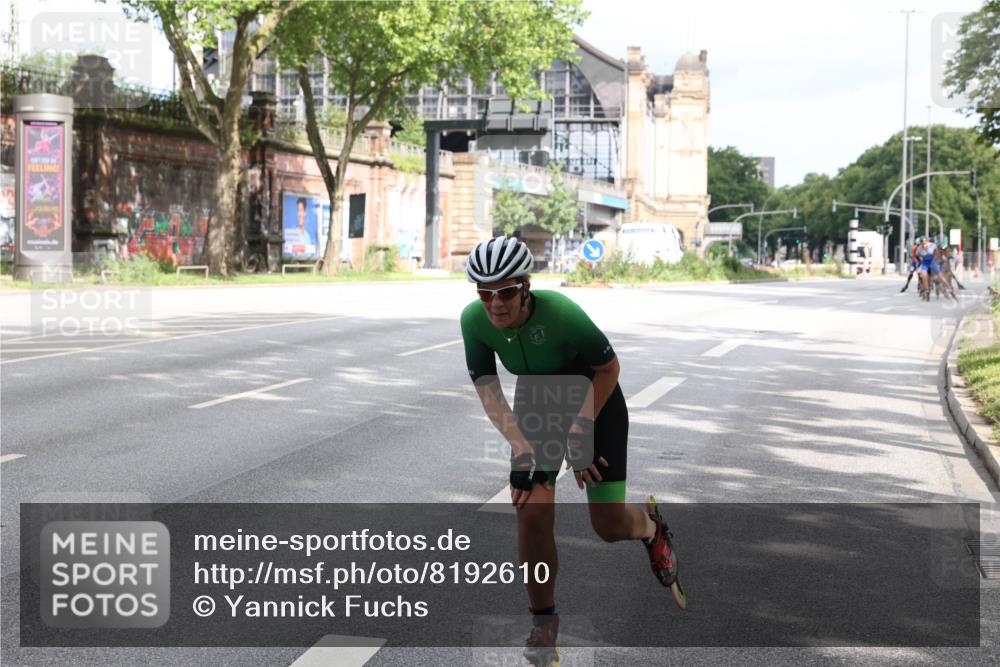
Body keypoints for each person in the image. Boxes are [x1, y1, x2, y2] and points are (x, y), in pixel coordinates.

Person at [459, 236, 684, 665]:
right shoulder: (473, 320)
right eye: (484, 294)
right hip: (539, 405)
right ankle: (543, 628)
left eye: (505, 292)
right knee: (531, 513)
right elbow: (488, 393)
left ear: (525, 287)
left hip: (593, 398)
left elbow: (609, 368)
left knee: (608, 524)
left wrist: (580, 436)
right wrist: (522, 452)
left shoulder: (562, 312)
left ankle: (651, 528)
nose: (495, 305)